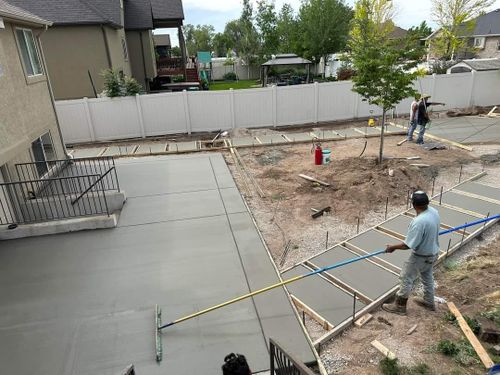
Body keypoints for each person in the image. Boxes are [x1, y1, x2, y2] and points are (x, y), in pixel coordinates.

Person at [382, 191, 440, 315]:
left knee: (406, 277)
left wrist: (392, 247)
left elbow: (408, 245)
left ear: (413, 204)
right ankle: (429, 302)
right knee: (427, 276)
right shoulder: (433, 212)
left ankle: (400, 307)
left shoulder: (419, 222)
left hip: (421, 257)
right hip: (433, 253)